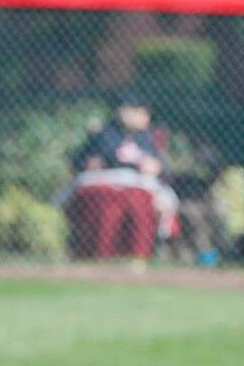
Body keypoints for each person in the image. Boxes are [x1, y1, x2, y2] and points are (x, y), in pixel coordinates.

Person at [64, 95, 175, 261]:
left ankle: (141, 254)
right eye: (140, 112)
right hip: (108, 181)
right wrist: (89, 163)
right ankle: (98, 254)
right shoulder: (104, 134)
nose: (145, 117)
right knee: (107, 203)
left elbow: (164, 169)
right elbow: (78, 160)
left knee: (152, 201)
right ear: (124, 112)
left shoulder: (147, 138)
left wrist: (156, 167)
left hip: (140, 182)